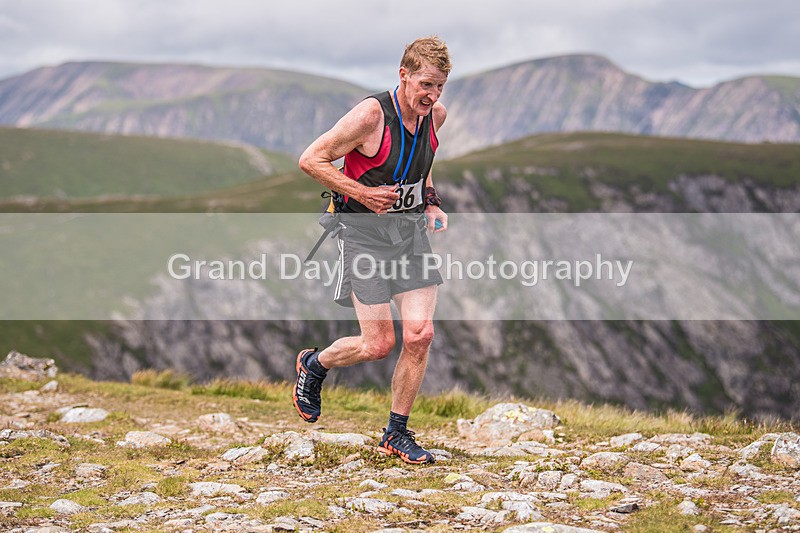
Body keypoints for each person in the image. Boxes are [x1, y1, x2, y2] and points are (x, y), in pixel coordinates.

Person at [292, 36, 451, 464]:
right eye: (425, 84)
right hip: (363, 235)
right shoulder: (370, 115)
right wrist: (361, 193)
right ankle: (315, 364)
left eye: (440, 86)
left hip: (410, 233)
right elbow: (311, 160)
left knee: (420, 335)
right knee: (378, 343)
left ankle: (395, 433)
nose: (432, 94)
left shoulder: (435, 115)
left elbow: (424, 157)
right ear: (404, 75)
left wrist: (431, 199)